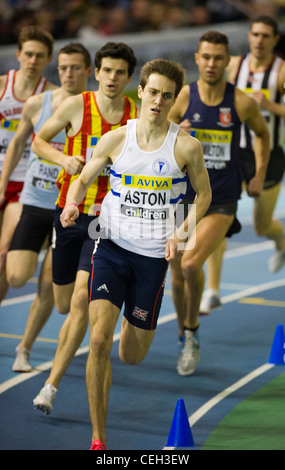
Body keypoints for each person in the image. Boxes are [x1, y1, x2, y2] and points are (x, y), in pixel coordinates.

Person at [60, 58, 212, 450]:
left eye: (168, 95)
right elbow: (84, 178)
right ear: (140, 92)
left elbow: (204, 195)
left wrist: (182, 231)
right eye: (153, 92)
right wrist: (73, 203)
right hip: (110, 245)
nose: (159, 101)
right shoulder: (115, 139)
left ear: (174, 99)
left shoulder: (186, 146)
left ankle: (134, 318)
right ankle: (98, 439)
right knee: (97, 342)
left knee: (130, 354)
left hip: (152, 258)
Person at [31, 42, 138, 415]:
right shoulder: (77, 106)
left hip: (106, 221)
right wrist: (64, 158)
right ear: (97, 72)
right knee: (64, 304)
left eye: (120, 72)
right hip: (69, 212)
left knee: (80, 300)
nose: (112, 77)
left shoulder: (135, 118)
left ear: (129, 78)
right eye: (106, 70)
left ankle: (50, 386)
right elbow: (39, 140)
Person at [168, 31, 270, 375]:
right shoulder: (183, 98)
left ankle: (193, 334)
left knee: (191, 265)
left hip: (222, 200)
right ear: (196, 59)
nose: (211, 63)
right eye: (206, 57)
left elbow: (263, 134)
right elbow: (155, 140)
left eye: (218, 58)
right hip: (183, 199)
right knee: (177, 277)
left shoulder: (240, 102)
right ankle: (183, 333)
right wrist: (172, 133)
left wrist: (257, 175)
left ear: (228, 61)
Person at [0, 43, 92, 372]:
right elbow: (18, 144)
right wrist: (3, 184)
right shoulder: (38, 104)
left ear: (87, 71)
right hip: (35, 201)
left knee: (49, 282)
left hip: (69, 208)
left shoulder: (93, 109)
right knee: (17, 274)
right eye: (64, 68)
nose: (68, 73)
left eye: (75, 68)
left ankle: (23, 348)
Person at [202, 16, 285, 314]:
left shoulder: (280, 72)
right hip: (233, 153)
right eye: (255, 34)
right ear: (248, 37)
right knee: (218, 218)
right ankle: (212, 289)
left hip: (269, 154)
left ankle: (280, 241)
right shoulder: (234, 65)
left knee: (263, 226)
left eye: (265, 35)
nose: (259, 40)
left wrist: (269, 105)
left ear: (275, 40)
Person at [0, 26, 56, 303]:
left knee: (3, 255)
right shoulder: (1, 87)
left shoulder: (51, 96)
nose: (33, 60)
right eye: (29, 54)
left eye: (40, 56)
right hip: (1, 174)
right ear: (18, 54)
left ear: (48, 59)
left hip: (23, 184)